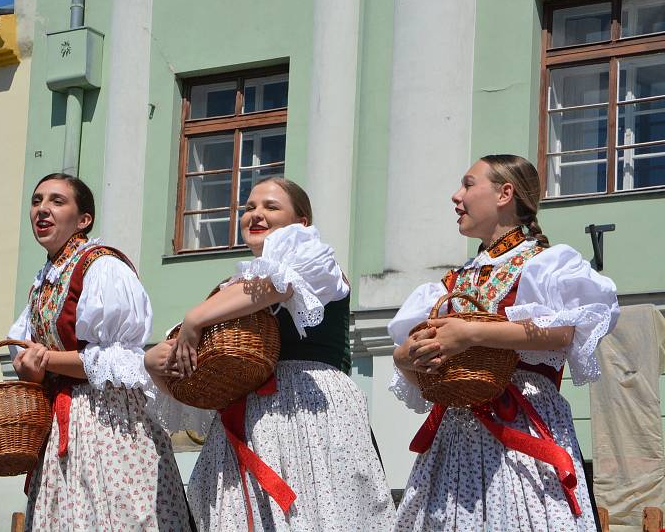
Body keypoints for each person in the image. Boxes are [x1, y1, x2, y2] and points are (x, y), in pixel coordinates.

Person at [388, 155, 618, 531]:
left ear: (504, 194)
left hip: (523, 427)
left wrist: (473, 332)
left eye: (467, 184)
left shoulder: (545, 263)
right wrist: (406, 360)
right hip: (457, 438)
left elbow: (564, 334)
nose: (455, 196)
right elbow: (430, 388)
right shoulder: (449, 284)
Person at [168, 177, 395, 531]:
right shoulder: (237, 284)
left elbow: (281, 285)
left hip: (309, 406)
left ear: (301, 222)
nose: (256, 215)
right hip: (253, 412)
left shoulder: (314, 257)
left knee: (316, 506)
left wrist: (195, 318)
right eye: (249, 208)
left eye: (271, 207)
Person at [8, 173, 193, 531]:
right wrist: (32, 370)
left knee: (118, 513)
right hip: (64, 424)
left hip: (108, 418)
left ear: (83, 220)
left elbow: (122, 360)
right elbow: (23, 352)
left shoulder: (102, 265)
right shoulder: (43, 280)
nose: (42, 209)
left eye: (56, 201)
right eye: (37, 201)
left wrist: (46, 361)